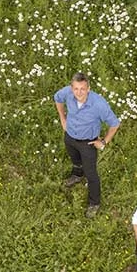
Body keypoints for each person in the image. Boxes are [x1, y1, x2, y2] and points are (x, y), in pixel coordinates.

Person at [54, 72, 120, 218]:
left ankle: (94, 203)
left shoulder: (98, 104)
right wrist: (62, 118)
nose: (79, 92)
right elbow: (57, 98)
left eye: (82, 89)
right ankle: (77, 175)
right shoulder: (67, 92)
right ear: (71, 88)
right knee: (75, 159)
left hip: (87, 143)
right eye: (76, 89)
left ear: (88, 88)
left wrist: (103, 142)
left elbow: (114, 124)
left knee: (91, 174)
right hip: (70, 136)